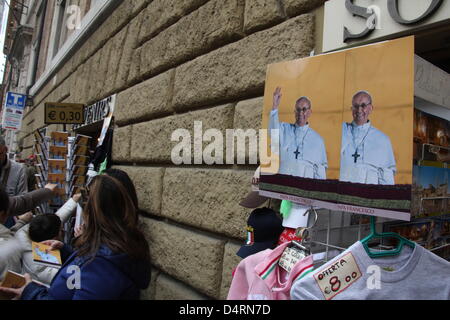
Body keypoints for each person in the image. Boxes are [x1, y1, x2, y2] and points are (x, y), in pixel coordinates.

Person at [0, 171, 151, 300]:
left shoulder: (102, 263)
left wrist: (30, 292)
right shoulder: (110, 251)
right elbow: (86, 274)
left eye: (86, 200)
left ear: (94, 211)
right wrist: (68, 253)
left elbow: (92, 273)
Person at [13, 194, 80, 286]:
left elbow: (52, 221)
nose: (63, 231)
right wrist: (81, 243)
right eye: (61, 230)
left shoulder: (30, 233)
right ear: (53, 239)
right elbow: (74, 278)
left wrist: (73, 201)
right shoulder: (42, 267)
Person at [269, 87, 328, 179]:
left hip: (305, 188)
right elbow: (273, 132)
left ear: (309, 112)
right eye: (298, 109)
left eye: (304, 109)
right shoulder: (285, 129)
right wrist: (275, 106)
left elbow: (320, 172)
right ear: (294, 112)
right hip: (284, 183)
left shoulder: (318, 140)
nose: (300, 113)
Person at [340, 91, 396, 185]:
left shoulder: (382, 139)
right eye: (355, 106)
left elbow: (387, 178)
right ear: (351, 109)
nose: (359, 110)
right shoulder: (341, 130)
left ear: (370, 108)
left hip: (368, 195)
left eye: (363, 105)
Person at [0, 135, 28, 228]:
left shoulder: (18, 169)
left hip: (8, 219)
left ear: (5, 149)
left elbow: (22, 197)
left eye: (0, 153)